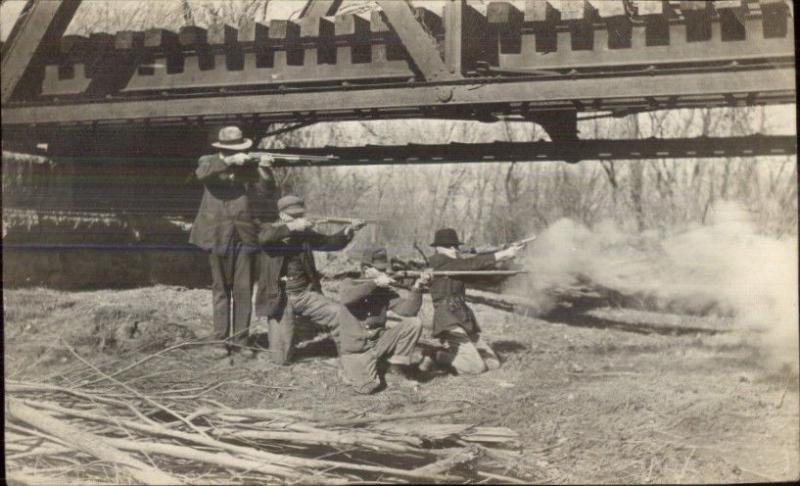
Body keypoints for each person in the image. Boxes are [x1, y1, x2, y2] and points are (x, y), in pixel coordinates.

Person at [189, 126, 275, 358]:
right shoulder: (208, 161)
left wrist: (265, 170)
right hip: (216, 234)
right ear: (223, 148)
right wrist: (229, 162)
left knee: (243, 290)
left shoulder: (248, 167)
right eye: (232, 149)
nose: (236, 152)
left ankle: (242, 341)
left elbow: (266, 191)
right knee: (220, 290)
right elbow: (202, 174)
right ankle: (220, 340)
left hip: (244, 235)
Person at [254, 194, 366, 364]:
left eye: (300, 214)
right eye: (294, 215)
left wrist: (348, 231)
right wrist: (292, 227)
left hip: (304, 294)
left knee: (340, 314)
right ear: (283, 214)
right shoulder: (270, 229)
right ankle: (292, 329)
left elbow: (328, 242)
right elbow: (264, 238)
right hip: (280, 299)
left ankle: (350, 359)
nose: (299, 218)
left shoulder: (304, 233)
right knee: (280, 359)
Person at [336, 248, 433, 394]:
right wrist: (375, 283)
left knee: (413, 323)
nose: (384, 273)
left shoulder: (384, 290)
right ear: (366, 269)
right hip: (356, 351)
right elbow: (347, 298)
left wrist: (418, 286)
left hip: (378, 344)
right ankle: (348, 370)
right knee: (367, 388)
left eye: (385, 270)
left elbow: (408, 311)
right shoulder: (349, 283)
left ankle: (395, 371)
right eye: (380, 270)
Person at [428, 228, 523, 374]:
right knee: (477, 368)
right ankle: (437, 356)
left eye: (455, 245)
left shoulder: (454, 265)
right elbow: (470, 264)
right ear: (438, 248)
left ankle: (453, 355)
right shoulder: (439, 262)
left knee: (493, 364)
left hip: (463, 317)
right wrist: (502, 254)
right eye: (449, 246)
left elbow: (481, 277)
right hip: (447, 319)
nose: (454, 249)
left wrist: (508, 267)